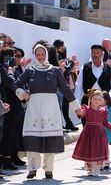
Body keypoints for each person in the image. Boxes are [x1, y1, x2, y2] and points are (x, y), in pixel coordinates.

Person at [14, 44, 82, 179]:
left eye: (42, 54)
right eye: (38, 54)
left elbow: (66, 89)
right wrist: (22, 94)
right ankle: (32, 168)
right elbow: (16, 84)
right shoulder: (30, 71)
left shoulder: (55, 71)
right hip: (34, 109)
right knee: (33, 139)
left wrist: (76, 107)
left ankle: (49, 169)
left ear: (46, 55)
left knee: (50, 139)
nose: (40, 57)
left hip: (51, 109)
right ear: (35, 55)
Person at [72, 90, 111, 176]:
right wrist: (79, 112)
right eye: (95, 99)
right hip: (88, 133)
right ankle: (90, 169)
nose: (97, 101)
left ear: (102, 100)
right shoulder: (86, 108)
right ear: (90, 99)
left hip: (100, 133)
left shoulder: (104, 110)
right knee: (89, 150)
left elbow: (106, 123)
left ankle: (97, 168)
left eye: (99, 99)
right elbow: (82, 113)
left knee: (99, 150)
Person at [74, 44, 111, 126]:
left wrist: (109, 101)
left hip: (103, 106)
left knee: (102, 130)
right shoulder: (85, 67)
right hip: (88, 104)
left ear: (102, 54)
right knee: (87, 129)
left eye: (97, 52)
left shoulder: (109, 68)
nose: (95, 54)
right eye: (93, 53)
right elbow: (79, 86)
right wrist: (78, 104)